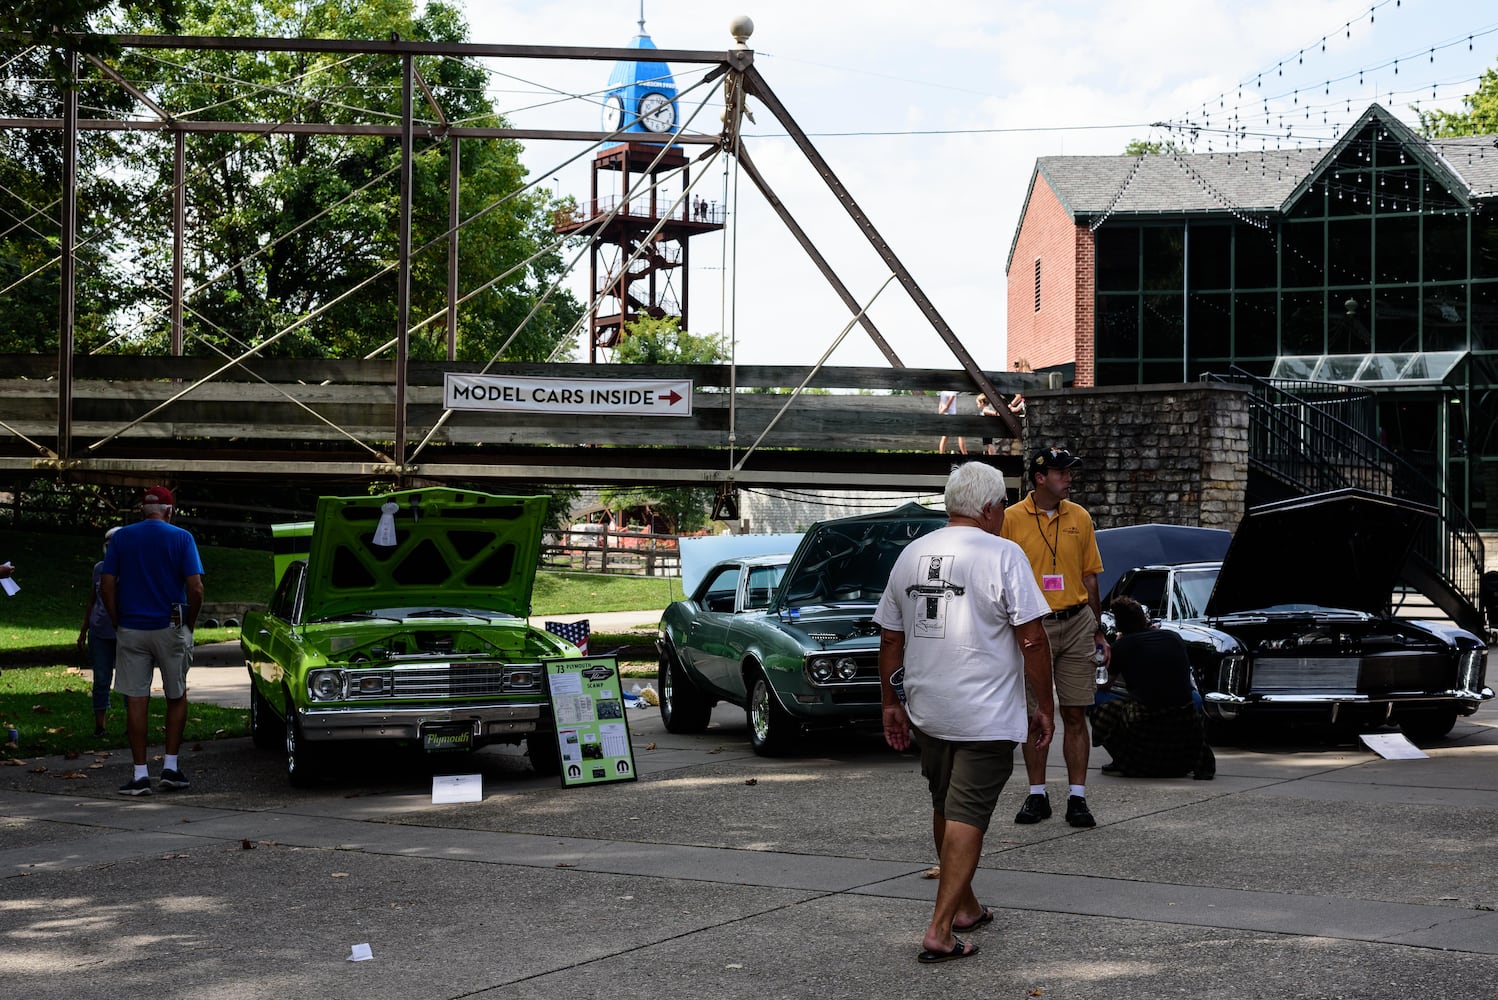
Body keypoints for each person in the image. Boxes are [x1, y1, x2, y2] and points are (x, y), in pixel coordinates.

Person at [875, 462, 1054, 964]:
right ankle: (939, 929)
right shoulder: (1004, 554)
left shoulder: (912, 553)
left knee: (945, 803)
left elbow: (890, 635)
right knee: (967, 812)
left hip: (929, 709)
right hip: (985, 711)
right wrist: (1043, 706)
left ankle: (967, 905)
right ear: (992, 508)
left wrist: (891, 701)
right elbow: (1033, 637)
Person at [1000, 446, 1108, 828]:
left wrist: (1097, 628)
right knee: (1035, 713)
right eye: (1062, 473)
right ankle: (1037, 794)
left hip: (1077, 619)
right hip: (1034, 624)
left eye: (1070, 473)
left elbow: (1090, 575)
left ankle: (1077, 797)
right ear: (1040, 477)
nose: (1069, 479)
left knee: (1076, 711)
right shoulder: (1010, 519)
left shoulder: (1079, 515)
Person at [101, 486, 204, 795]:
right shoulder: (181, 538)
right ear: (169, 510)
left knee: (136, 698)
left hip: (131, 627)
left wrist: (117, 620)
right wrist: (190, 623)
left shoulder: (120, 538)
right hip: (170, 624)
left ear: (142, 511)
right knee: (176, 695)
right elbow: (196, 588)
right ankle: (170, 768)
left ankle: (140, 773)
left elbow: (107, 586)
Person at [1091, 597, 1215, 779]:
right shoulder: (1173, 637)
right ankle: (1179, 755)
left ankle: (1123, 760)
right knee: (1194, 697)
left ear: (1119, 626)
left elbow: (1105, 684)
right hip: (1183, 716)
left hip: (1146, 720)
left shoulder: (1122, 646)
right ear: (1145, 620)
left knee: (1095, 699)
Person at [77, 526, 123, 738]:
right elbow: (92, 600)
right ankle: (100, 726)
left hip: (125, 631)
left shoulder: (133, 569)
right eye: (107, 544)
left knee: (128, 680)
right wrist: (84, 629)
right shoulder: (99, 568)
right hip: (99, 630)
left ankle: (132, 725)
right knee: (101, 678)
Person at [936, 389, 965, 455]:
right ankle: (965, 454)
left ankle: (941, 453)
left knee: (945, 436)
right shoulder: (952, 392)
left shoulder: (942, 392)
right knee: (960, 434)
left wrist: (940, 413)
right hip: (952, 416)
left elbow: (941, 405)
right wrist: (941, 412)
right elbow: (947, 406)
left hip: (945, 416)